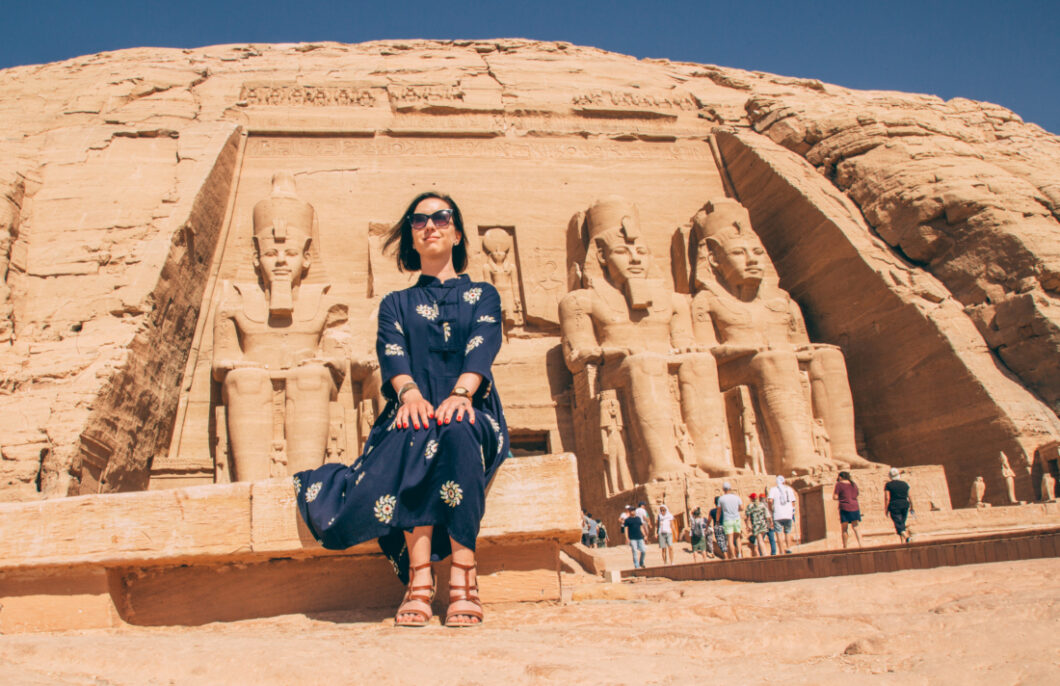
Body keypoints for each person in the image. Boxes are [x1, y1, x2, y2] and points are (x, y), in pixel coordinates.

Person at [293, 192, 509, 628]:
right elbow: (392, 354)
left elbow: (482, 347)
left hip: (474, 406)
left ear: (457, 231)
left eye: (441, 217)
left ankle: (464, 575)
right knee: (418, 429)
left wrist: (462, 394)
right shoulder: (396, 303)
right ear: (411, 236)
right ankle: (421, 578)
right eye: (419, 220)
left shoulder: (483, 295)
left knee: (456, 427)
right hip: (410, 408)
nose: (430, 225)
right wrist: (409, 394)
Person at [884, 467, 914, 544]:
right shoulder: (905, 484)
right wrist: (912, 507)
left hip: (894, 505)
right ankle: (903, 542)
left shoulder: (888, 485)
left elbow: (887, 498)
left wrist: (886, 509)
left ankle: (907, 537)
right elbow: (910, 496)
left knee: (898, 523)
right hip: (905, 504)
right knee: (902, 523)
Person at [833, 471, 863, 548]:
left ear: (840, 477)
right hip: (855, 506)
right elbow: (857, 494)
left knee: (844, 528)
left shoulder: (839, 485)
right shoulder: (853, 484)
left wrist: (842, 497)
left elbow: (835, 497)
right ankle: (861, 544)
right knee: (856, 526)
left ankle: (845, 546)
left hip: (845, 507)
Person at [768, 475, 798, 553]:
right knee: (787, 532)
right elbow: (793, 502)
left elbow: (770, 501)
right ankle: (788, 547)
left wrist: (771, 509)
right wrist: (793, 510)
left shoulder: (773, 490)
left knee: (779, 533)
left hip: (777, 514)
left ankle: (781, 551)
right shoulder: (789, 489)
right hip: (788, 514)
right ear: (784, 481)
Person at [717, 482, 743, 559]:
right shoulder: (736, 497)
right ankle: (739, 554)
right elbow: (741, 508)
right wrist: (735, 510)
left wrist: (717, 520)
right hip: (736, 519)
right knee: (737, 538)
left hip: (727, 519)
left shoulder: (721, 498)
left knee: (730, 539)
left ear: (723, 490)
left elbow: (719, 511)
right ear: (730, 488)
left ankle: (733, 556)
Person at [745, 493, 769, 557]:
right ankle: (761, 553)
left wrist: (747, 525)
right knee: (761, 540)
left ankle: (764, 554)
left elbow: (747, 517)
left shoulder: (750, 506)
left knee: (760, 540)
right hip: (763, 524)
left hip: (756, 525)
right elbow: (767, 515)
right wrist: (770, 523)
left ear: (751, 499)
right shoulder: (762, 505)